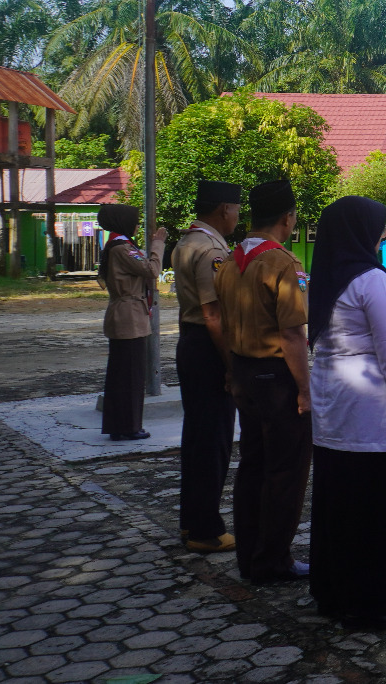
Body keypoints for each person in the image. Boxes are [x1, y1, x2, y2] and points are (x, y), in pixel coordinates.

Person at [306, 196, 386, 630]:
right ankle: (373, 601)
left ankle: (333, 591)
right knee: (373, 508)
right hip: (369, 406)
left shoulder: (326, 277)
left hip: (332, 399)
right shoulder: (372, 281)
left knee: (337, 501)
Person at [214, 179, 313, 584]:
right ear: (287, 219)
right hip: (277, 380)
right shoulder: (282, 264)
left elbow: (221, 324)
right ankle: (273, 559)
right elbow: (292, 335)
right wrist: (305, 389)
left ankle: (250, 554)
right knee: (286, 472)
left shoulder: (231, 260)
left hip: (244, 373)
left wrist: (231, 372)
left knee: (252, 465)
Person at [172, 181, 240, 552]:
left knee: (197, 436)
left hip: (191, 341)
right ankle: (205, 529)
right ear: (223, 209)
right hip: (208, 345)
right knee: (212, 440)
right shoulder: (212, 249)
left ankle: (191, 521)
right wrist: (230, 365)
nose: (238, 217)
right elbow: (213, 315)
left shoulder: (187, 241)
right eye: (236, 210)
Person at [97, 204, 167, 441]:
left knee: (123, 374)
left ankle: (121, 425)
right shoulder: (122, 247)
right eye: (134, 221)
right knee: (130, 375)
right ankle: (128, 426)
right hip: (129, 316)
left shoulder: (117, 244)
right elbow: (151, 269)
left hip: (126, 313)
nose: (137, 225)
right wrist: (158, 244)